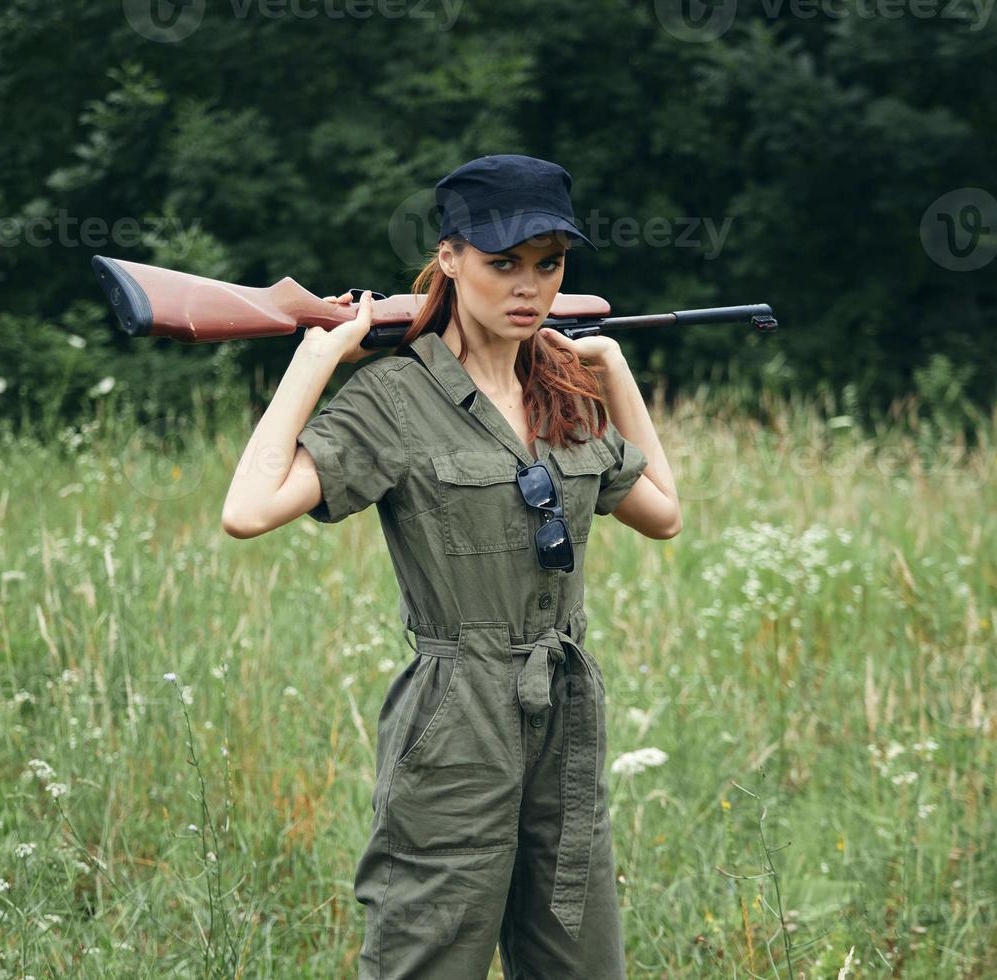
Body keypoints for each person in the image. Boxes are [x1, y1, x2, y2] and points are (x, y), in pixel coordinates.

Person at [221, 154, 681, 978]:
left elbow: (663, 512)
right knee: (427, 959)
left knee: (582, 963)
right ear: (450, 258)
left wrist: (613, 374)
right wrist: (317, 358)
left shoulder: (563, 393)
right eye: (503, 263)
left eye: (549, 264)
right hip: (455, 720)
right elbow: (247, 510)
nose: (528, 287)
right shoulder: (395, 397)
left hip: (567, 710)